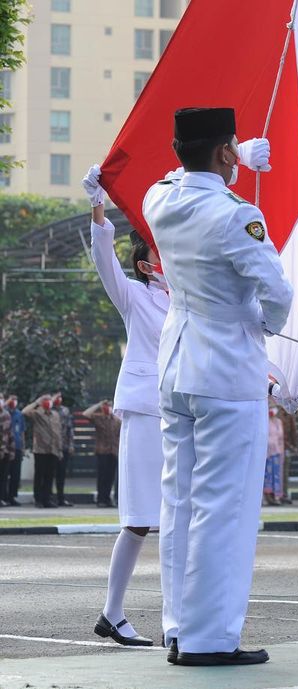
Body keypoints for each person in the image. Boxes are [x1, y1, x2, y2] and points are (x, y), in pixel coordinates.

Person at [144, 107, 292, 666]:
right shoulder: (237, 215)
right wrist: (261, 322)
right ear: (225, 152)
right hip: (227, 368)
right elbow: (276, 291)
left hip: (177, 363)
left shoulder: (162, 199)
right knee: (222, 508)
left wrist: (231, 156)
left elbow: (178, 173)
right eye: (233, 147)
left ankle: (179, 628)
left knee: (179, 503)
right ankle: (210, 639)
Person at [83, 163, 174, 647]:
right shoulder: (135, 296)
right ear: (145, 265)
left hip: (183, 414)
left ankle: (175, 622)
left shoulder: (187, 300)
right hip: (145, 410)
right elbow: (104, 261)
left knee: (180, 521)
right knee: (140, 518)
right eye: (162, 253)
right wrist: (99, 204)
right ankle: (112, 613)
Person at [23, 395, 63, 509]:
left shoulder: (55, 415)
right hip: (41, 450)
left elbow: (58, 432)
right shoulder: (38, 413)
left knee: (49, 476)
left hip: (53, 449)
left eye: (49, 400)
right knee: (39, 476)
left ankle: (47, 499)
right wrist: (37, 402)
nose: (47, 402)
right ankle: (38, 499)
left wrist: (59, 449)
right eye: (45, 400)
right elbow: (25, 411)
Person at [83, 401, 121, 507]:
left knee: (110, 477)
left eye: (109, 406)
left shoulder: (116, 420)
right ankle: (101, 499)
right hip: (102, 451)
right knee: (102, 477)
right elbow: (86, 414)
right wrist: (98, 405)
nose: (107, 408)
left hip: (113, 451)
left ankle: (107, 499)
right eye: (106, 406)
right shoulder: (99, 418)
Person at [52, 392, 75, 507]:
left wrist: (71, 444)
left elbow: (70, 428)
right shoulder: (48, 410)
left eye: (60, 397)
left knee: (61, 474)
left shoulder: (65, 411)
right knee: (49, 474)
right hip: (51, 447)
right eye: (56, 397)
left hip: (64, 445)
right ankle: (48, 498)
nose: (58, 399)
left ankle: (61, 498)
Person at [5, 395, 24, 506]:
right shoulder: (4, 412)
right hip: (6, 447)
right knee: (4, 474)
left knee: (15, 474)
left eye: (15, 399)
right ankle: (4, 496)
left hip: (17, 447)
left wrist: (22, 447)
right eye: (12, 399)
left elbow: (21, 431)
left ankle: (12, 496)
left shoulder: (19, 414)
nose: (14, 402)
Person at [264, 403, 284, 506]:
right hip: (265, 453)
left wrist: (281, 452)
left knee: (275, 476)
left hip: (276, 452)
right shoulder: (264, 421)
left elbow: (280, 439)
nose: (273, 410)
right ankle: (265, 497)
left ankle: (275, 496)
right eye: (270, 408)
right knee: (266, 476)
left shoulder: (278, 422)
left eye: (274, 408)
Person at [0, 393, 12, 507]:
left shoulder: (6, 414)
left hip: (5, 451)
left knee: (3, 477)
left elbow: (9, 433)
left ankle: (2, 498)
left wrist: (10, 450)